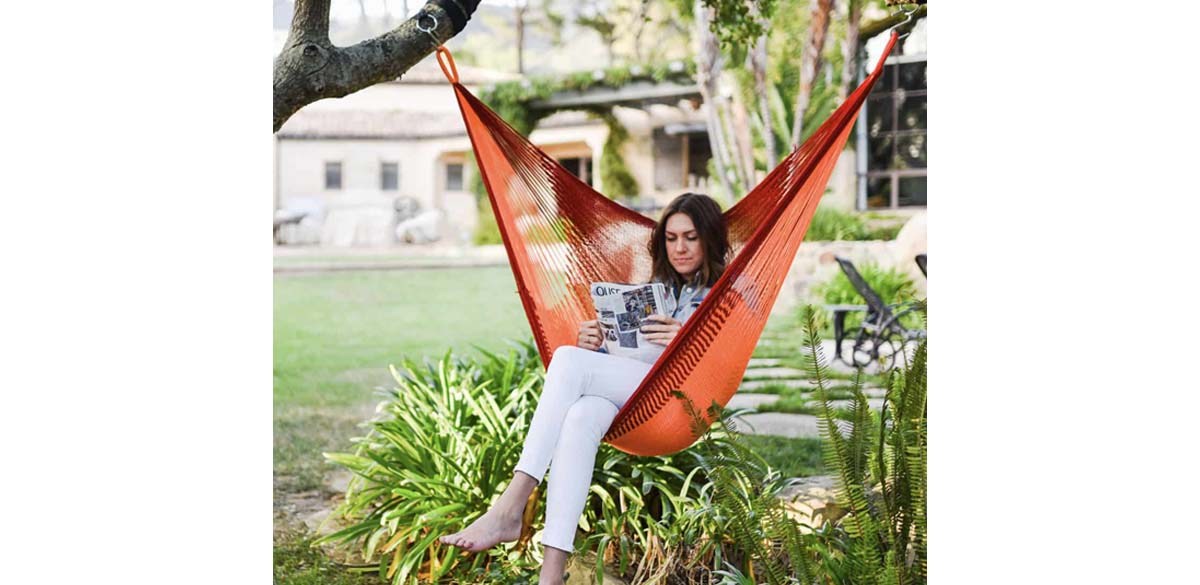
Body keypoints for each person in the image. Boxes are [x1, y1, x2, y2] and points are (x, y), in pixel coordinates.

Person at [438, 192, 729, 585]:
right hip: (633, 395)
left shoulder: (726, 295)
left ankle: (511, 504)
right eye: (671, 238)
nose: (679, 247)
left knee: (567, 360)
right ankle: (551, 576)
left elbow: (724, 367)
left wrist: (686, 337)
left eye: (690, 238)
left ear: (709, 238)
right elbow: (633, 353)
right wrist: (598, 340)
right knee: (580, 415)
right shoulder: (658, 288)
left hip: (676, 400)